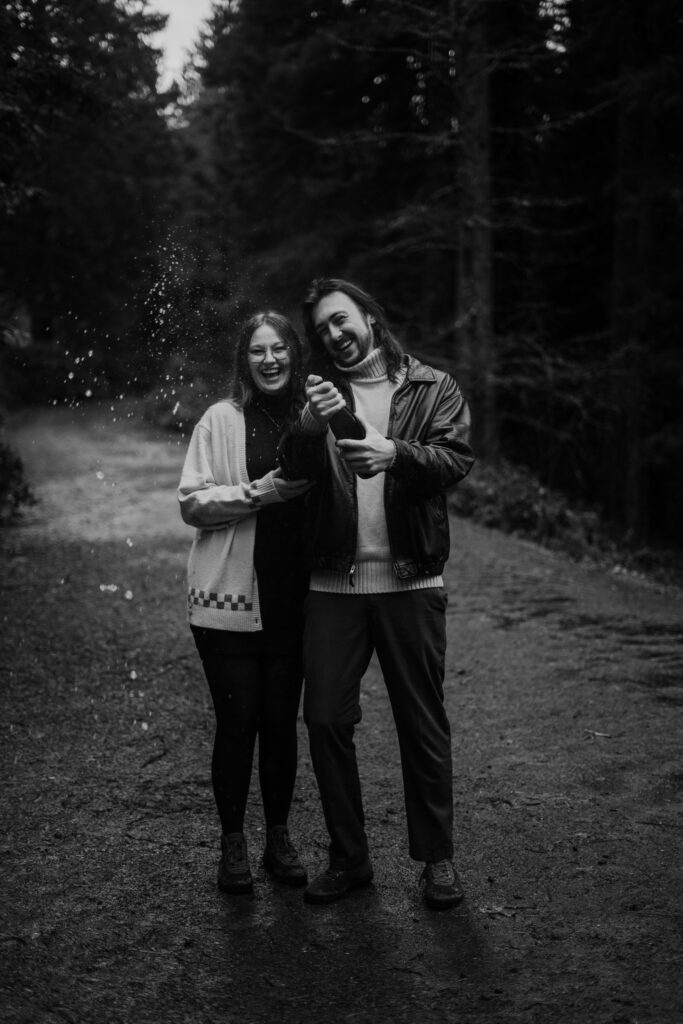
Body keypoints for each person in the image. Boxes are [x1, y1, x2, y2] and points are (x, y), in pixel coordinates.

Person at [279, 278, 475, 909]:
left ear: (367, 315)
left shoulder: (431, 387)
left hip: (411, 580)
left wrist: (394, 452)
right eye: (322, 330)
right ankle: (350, 857)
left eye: (341, 320)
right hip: (333, 582)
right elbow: (295, 473)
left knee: (422, 723)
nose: (334, 335)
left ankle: (437, 861)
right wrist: (309, 430)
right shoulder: (316, 396)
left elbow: (454, 459)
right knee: (326, 718)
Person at [178, 312, 313, 895]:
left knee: (281, 724)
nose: (269, 359)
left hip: (297, 597)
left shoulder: (314, 417)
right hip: (229, 599)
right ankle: (233, 844)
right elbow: (192, 503)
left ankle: (278, 839)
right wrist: (261, 493)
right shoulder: (220, 420)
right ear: (244, 361)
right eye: (257, 351)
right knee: (238, 723)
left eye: (279, 348)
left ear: (293, 354)